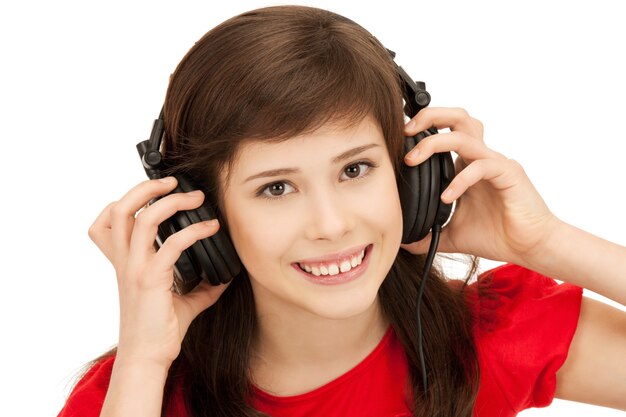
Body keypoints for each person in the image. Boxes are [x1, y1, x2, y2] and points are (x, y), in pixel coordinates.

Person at [56, 5, 626, 417]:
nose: (330, 225)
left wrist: (545, 242)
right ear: (199, 218)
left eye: (355, 170)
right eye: (276, 188)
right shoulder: (134, 393)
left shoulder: (490, 337)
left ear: (414, 176)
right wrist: (143, 363)